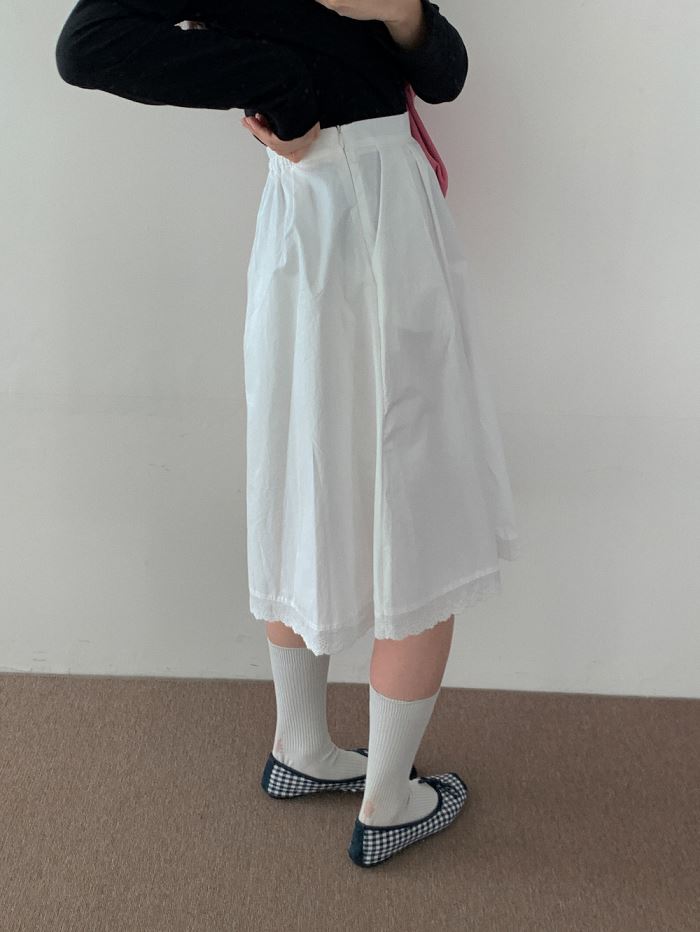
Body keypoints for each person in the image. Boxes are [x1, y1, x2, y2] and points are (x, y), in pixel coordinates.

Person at [55, 0, 522, 868]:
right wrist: (282, 85)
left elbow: (445, 75)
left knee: (306, 480)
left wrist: (401, 15)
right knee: (417, 512)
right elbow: (86, 44)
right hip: (359, 218)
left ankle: (302, 748)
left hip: (315, 224)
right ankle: (388, 800)